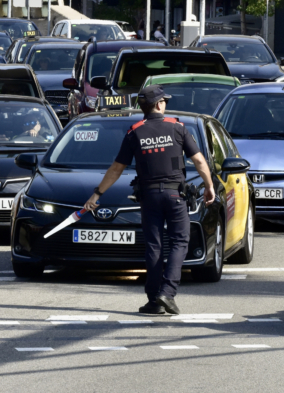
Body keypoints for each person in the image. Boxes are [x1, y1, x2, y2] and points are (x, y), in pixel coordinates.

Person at [82, 84, 215, 315]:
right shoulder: (178, 128)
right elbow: (200, 161)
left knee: (154, 245)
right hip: (175, 194)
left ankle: (154, 299)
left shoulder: (135, 131)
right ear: (159, 104)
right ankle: (167, 293)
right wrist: (210, 186)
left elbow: (116, 168)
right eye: (165, 101)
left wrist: (97, 193)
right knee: (179, 242)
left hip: (149, 196)